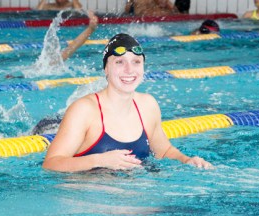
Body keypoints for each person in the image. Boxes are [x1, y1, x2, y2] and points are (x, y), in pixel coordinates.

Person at [42, 33, 213, 172]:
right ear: (106, 69)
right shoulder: (84, 110)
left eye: (136, 62)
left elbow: (164, 151)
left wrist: (187, 160)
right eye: (119, 62)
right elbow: (51, 163)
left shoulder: (148, 105)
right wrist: (99, 160)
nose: (129, 70)